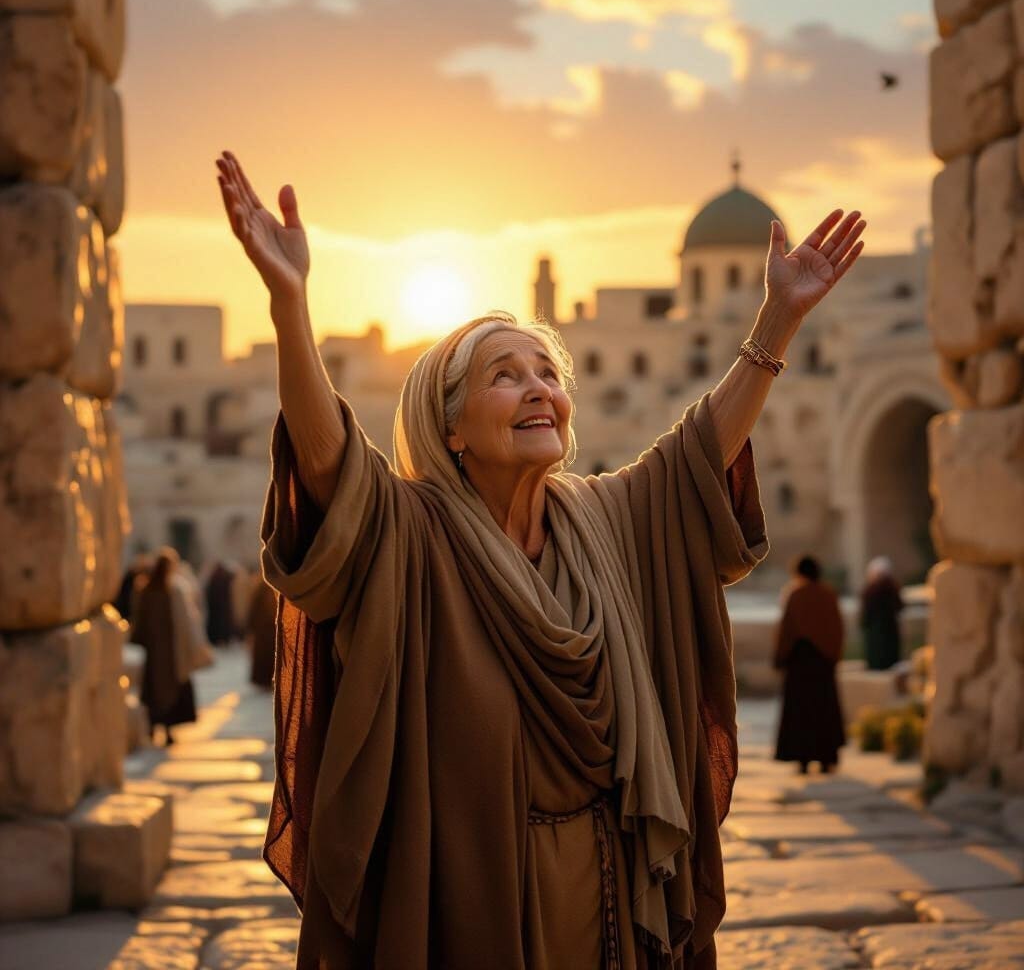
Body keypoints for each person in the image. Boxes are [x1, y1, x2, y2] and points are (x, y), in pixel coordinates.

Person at [216, 150, 865, 969]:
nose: (538, 389)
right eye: (504, 376)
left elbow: (697, 455)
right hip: (470, 900)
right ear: (450, 427)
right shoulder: (413, 534)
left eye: (547, 374)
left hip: (610, 896)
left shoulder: (606, 518)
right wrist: (289, 306)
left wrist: (779, 322)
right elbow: (328, 466)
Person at [772, 555, 846, 774]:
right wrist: (833, 655)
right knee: (824, 709)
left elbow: (786, 629)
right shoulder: (828, 595)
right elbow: (837, 629)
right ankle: (826, 758)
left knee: (801, 711)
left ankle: (803, 758)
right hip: (822, 663)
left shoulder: (795, 595)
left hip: (800, 662)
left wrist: (779, 657)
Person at [130, 547, 203, 745]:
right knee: (167, 692)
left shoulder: (148, 591)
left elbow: (140, 623)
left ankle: (155, 727)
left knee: (155, 693)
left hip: (156, 654)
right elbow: (187, 623)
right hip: (169, 654)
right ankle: (166, 730)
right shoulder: (172, 591)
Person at [860, 555, 903, 670]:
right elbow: (900, 606)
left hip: (877, 632)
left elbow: (866, 613)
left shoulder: (870, 590)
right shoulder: (892, 588)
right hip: (888, 630)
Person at [245, 570, 278, 690]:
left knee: (267, 656)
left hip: (264, 630)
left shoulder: (259, 587)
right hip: (269, 629)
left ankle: (266, 679)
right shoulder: (271, 586)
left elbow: (252, 611)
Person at [205, 558, 240, 646]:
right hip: (221, 607)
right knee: (221, 623)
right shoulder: (222, 577)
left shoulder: (215, 577)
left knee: (220, 623)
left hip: (218, 607)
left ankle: (220, 639)